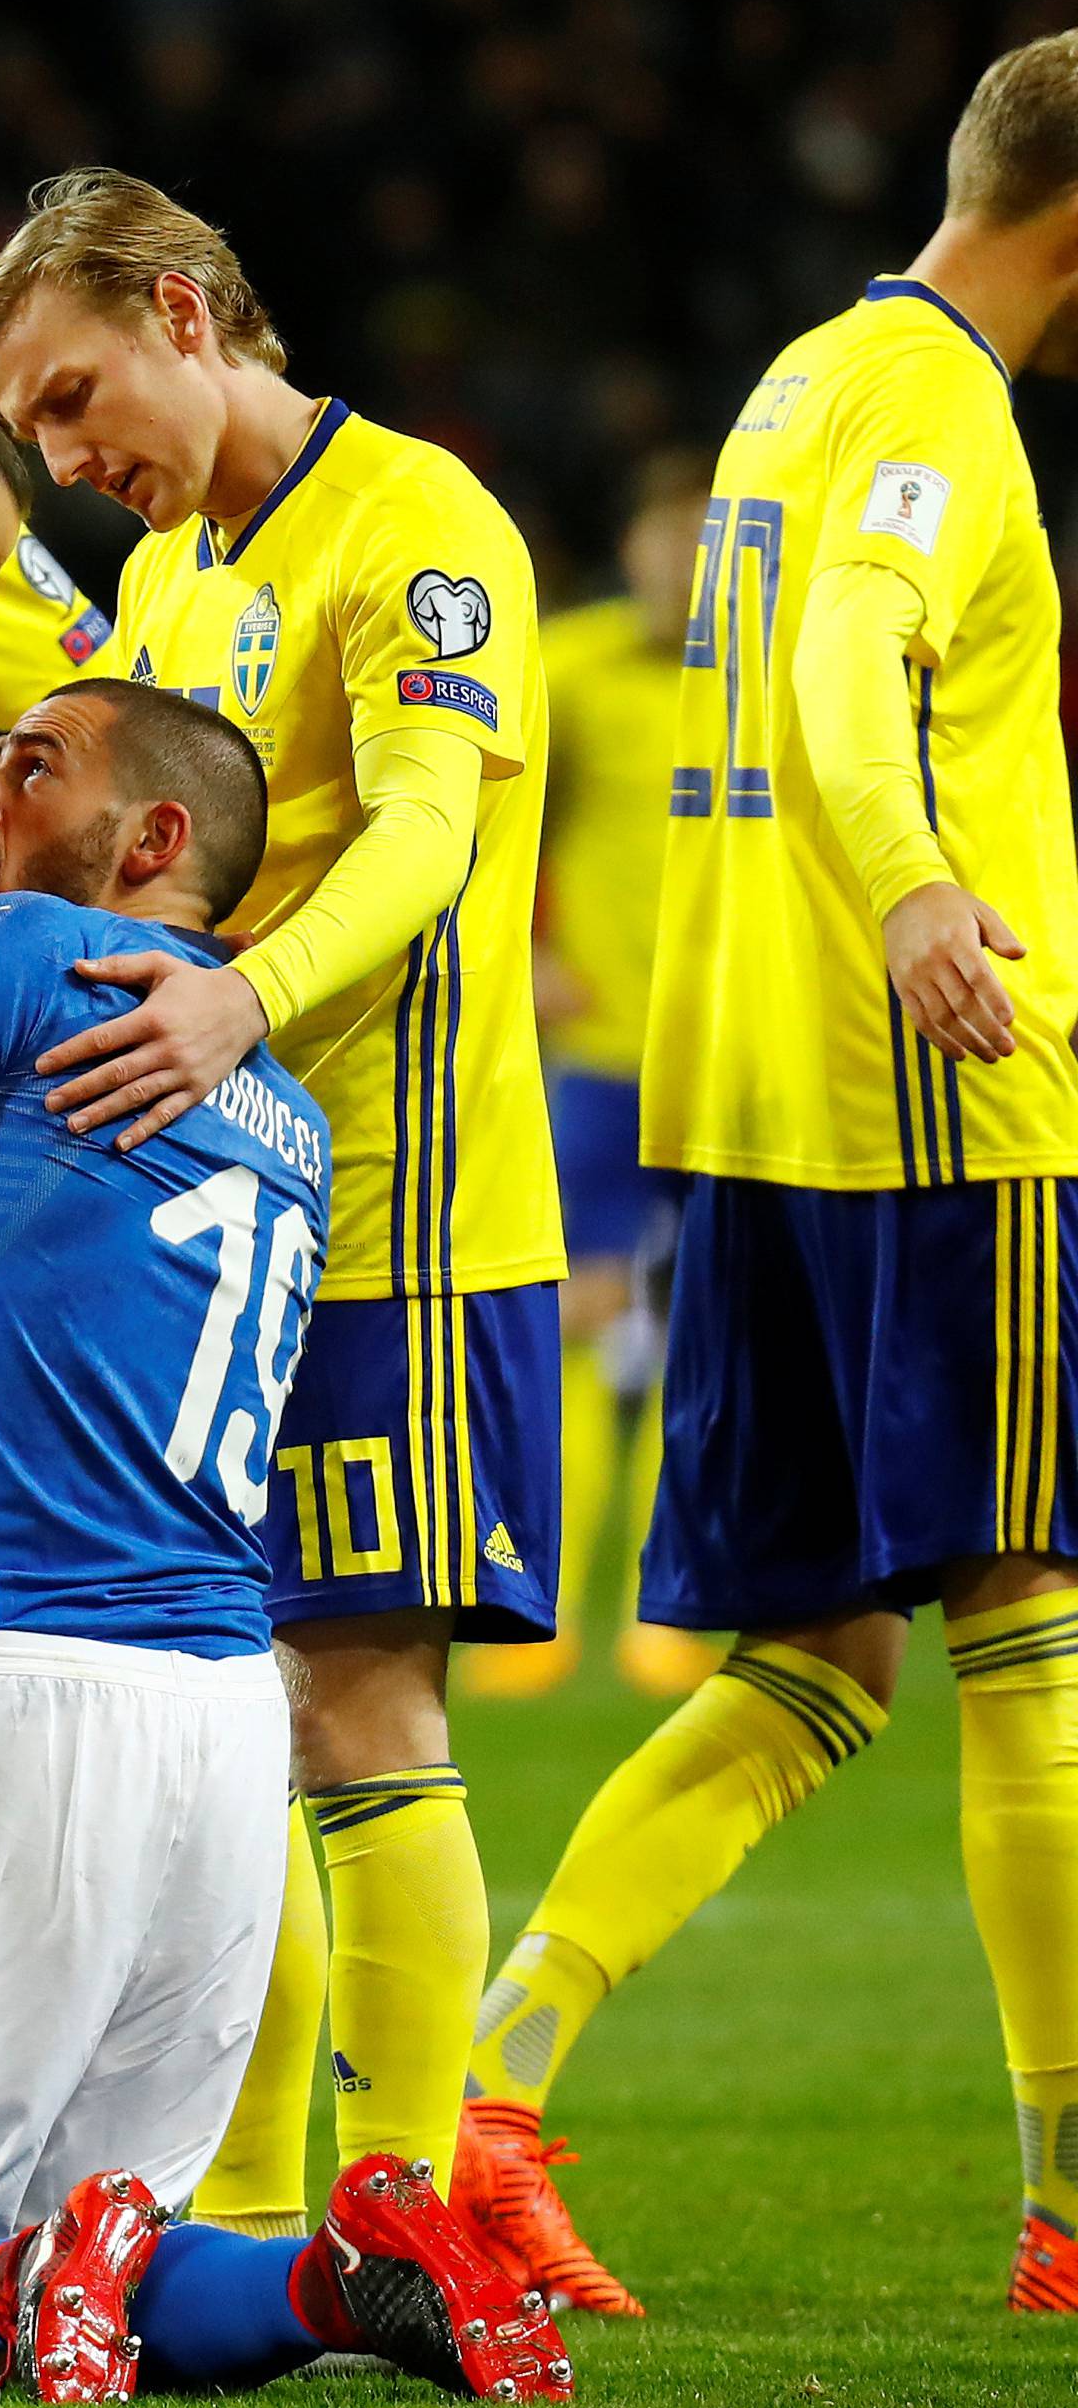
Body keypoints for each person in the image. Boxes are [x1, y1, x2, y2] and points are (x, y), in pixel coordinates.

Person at [0, 677, 571, 2407]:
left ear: (152, 842)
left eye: (39, 761)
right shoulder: (275, 1111)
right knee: (112, 2225)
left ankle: (2, 2284)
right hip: (220, 1724)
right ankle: (344, 2275)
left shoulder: (12, 952)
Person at [458, 30, 1078, 2322]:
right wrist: (921, 886)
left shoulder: (793, 388)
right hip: (928, 1092)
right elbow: (847, 664)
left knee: (809, 1663)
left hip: (750, 1113)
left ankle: (492, 2095)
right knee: (1029, 1627)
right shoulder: (936, 409)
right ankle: (1064, 2215)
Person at [0, 172, 563, 2241]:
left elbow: (430, 834)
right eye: (34, 428)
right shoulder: (184, 579)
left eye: (73, 392)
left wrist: (245, 1000)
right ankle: (254, 2217)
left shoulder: (419, 524)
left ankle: (405, 2210)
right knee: (231, 1714)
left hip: (404, 1213)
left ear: (190, 313)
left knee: (358, 1693)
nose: (67, 451)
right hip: (215, 1256)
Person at [465, 450, 715, 1705]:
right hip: (609, 1049)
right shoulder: (570, 667)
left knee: (704, 1323)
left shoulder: (765, 677)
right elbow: (487, 811)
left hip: (734, 1051)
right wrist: (530, 950)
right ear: (632, 555)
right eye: (664, 548)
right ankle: (547, 1598)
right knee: (583, 1310)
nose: (680, 571)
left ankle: (670, 1604)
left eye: (704, 548)